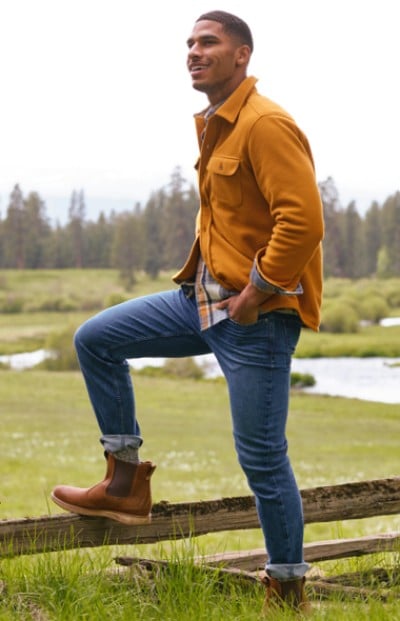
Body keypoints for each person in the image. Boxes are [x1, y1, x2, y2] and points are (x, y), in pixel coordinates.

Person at [52, 10, 323, 614]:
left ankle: (287, 590)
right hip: (200, 300)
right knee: (95, 338)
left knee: (261, 457)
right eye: (190, 44)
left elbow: (303, 222)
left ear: (242, 55)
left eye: (208, 43)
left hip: (255, 316)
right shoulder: (218, 123)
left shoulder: (266, 123)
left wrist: (254, 295)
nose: (194, 52)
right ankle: (123, 482)